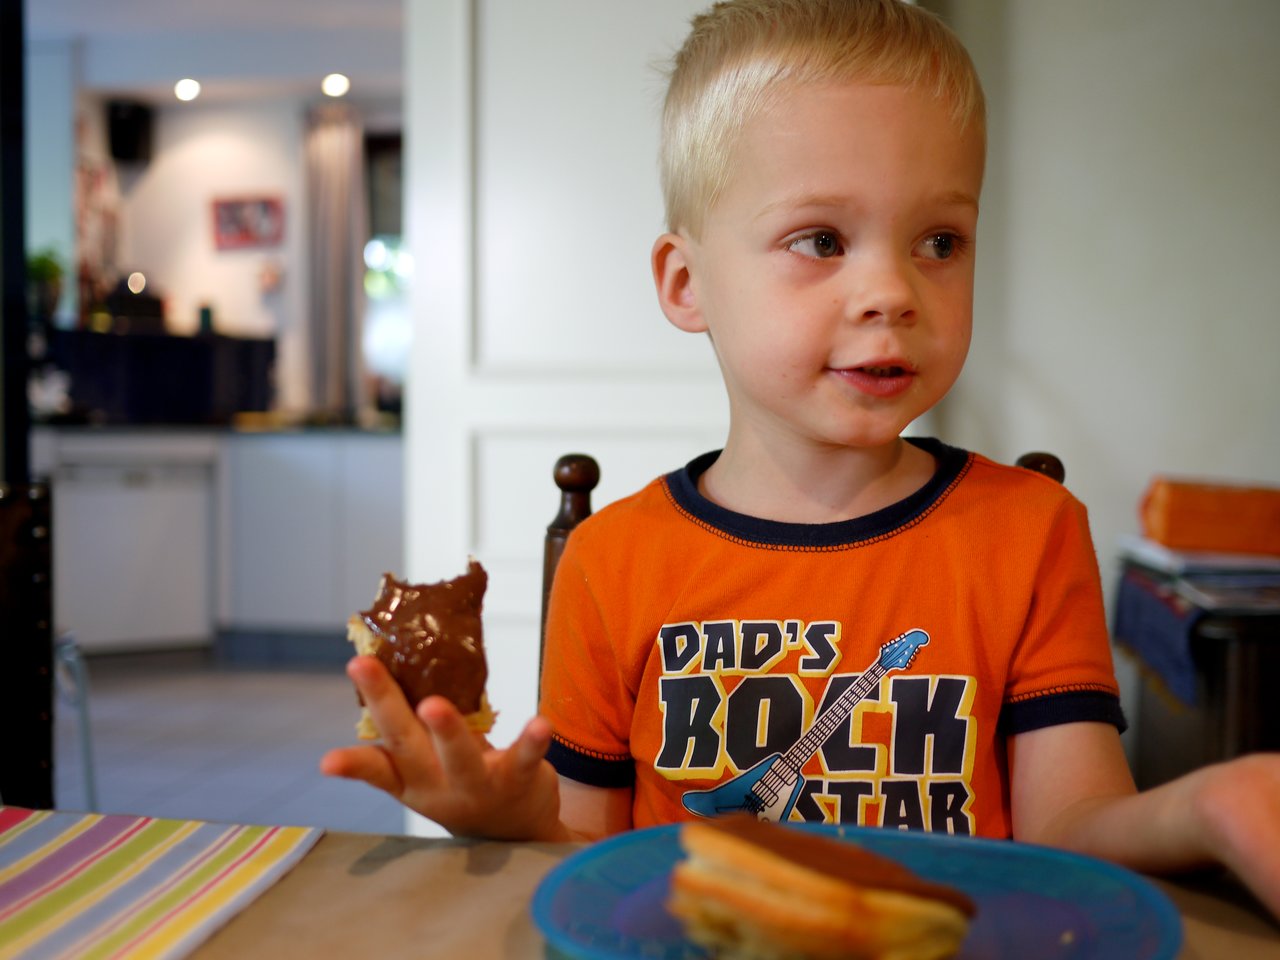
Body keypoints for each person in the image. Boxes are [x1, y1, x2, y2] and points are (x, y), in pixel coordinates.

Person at [321, 0, 1280, 916]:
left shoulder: (1030, 532)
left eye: (939, 240)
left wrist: (1205, 803)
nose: (892, 290)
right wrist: (517, 826)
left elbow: (1071, 830)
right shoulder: (613, 563)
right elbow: (594, 864)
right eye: (821, 239)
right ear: (687, 282)